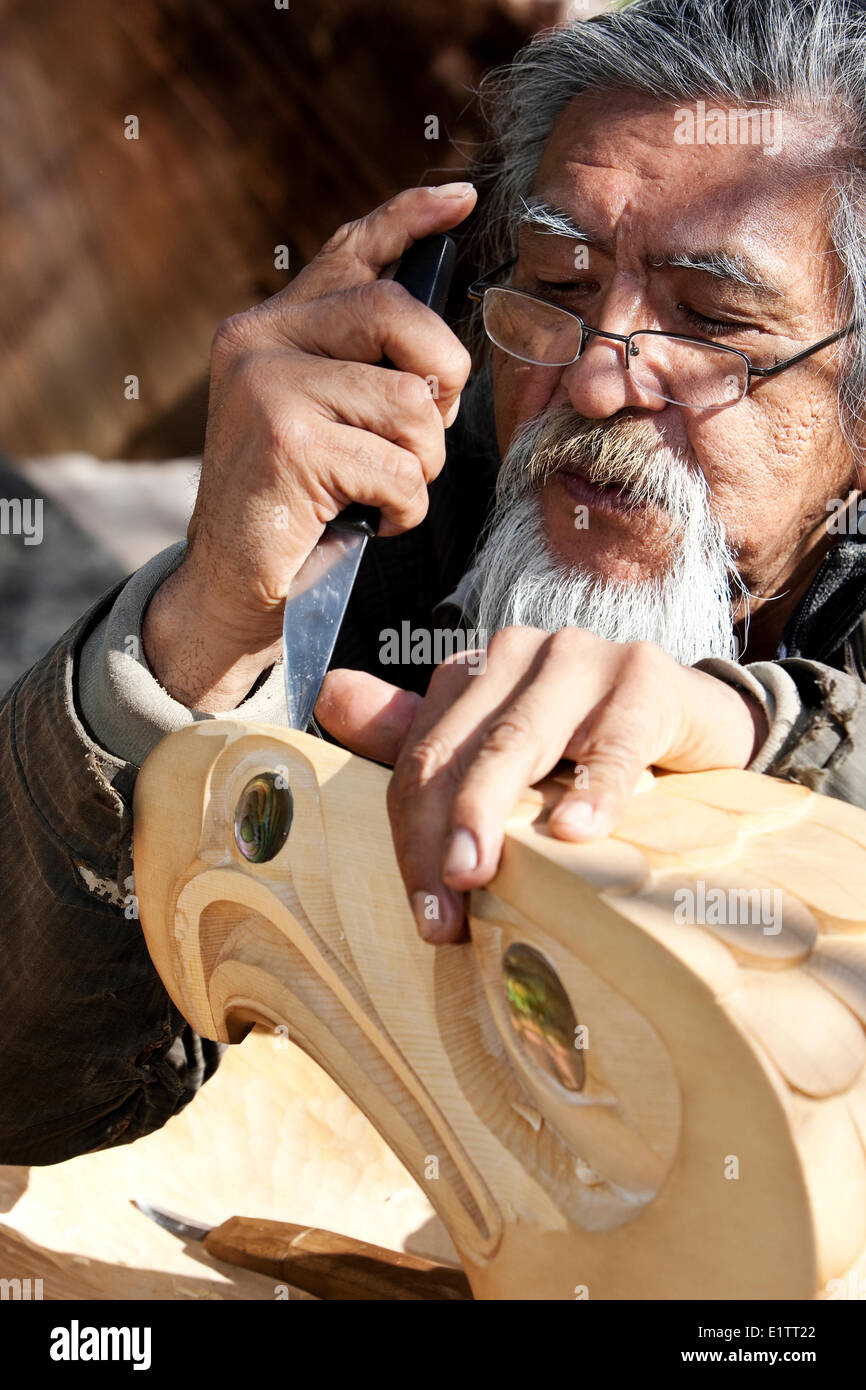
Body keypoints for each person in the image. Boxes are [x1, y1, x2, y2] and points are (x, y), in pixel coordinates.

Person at [3, 0, 866, 1163]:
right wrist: (204, 626)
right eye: (558, 284)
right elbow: (31, 1087)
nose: (597, 382)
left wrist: (750, 732)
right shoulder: (393, 538)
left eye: (707, 320)